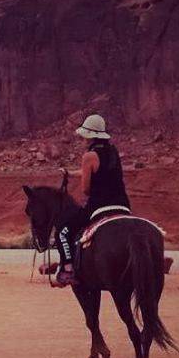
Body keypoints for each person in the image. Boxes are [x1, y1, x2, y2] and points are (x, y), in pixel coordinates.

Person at [54, 114, 131, 287]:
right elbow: (99, 172)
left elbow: (86, 189)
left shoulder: (89, 156)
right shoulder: (113, 151)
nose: (81, 139)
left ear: (89, 136)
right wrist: (72, 173)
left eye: (83, 136)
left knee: (63, 232)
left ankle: (67, 270)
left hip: (99, 206)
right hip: (122, 204)